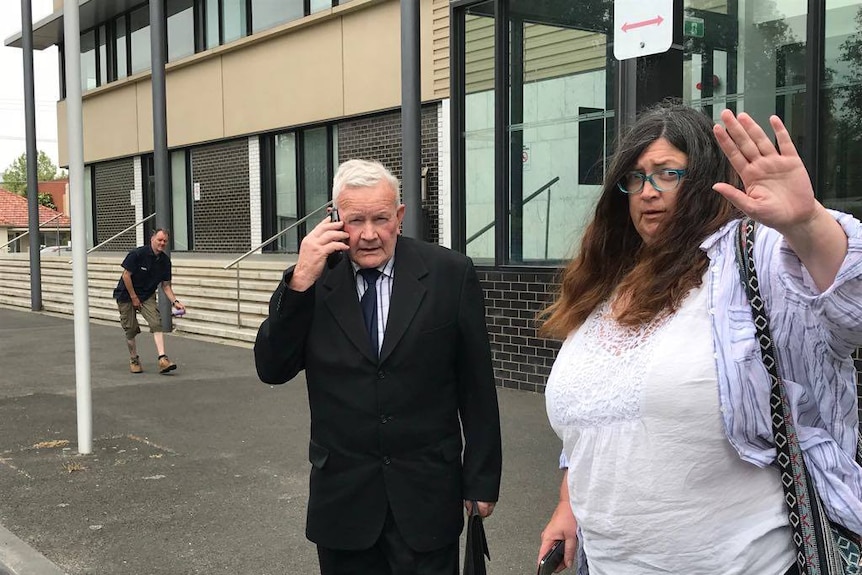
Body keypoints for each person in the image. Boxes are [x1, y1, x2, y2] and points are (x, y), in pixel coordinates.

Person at [535, 102, 862, 574]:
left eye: (669, 173)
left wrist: (807, 223)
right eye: (637, 177)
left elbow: (853, 307)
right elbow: (594, 419)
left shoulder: (757, 258)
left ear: (707, 179)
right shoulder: (605, 286)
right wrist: (568, 507)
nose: (649, 192)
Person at [254, 159, 502, 575]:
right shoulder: (312, 282)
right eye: (355, 220)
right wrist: (298, 281)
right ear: (334, 220)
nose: (369, 234)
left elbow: (476, 386)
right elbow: (272, 367)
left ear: (400, 217)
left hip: (427, 498)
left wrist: (480, 479)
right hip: (344, 503)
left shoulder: (449, 274)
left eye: (381, 219)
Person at [113, 228, 186, 374]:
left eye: (165, 241)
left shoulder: (165, 261)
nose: (162, 243)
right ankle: (134, 359)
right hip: (127, 294)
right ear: (152, 239)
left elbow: (166, 286)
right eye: (159, 240)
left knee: (156, 323)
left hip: (147, 295)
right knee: (131, 329)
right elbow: (126, 276)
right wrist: (133, 297)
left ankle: (163, 359)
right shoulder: (137, 254)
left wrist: (175, 301)